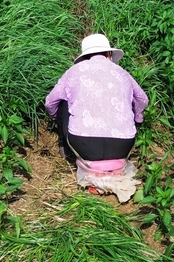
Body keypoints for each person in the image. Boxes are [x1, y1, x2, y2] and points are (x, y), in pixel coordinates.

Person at [45, 34, 147, 202]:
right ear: (108, 54)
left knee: (64, 100)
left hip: (83, 143)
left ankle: (65, 148)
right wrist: (137, 118)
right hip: (122, 144)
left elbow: (50, 101)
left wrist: (58, 118)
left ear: (84, 57)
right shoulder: (122, 72)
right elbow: (143, 99)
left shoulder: (74, 71)